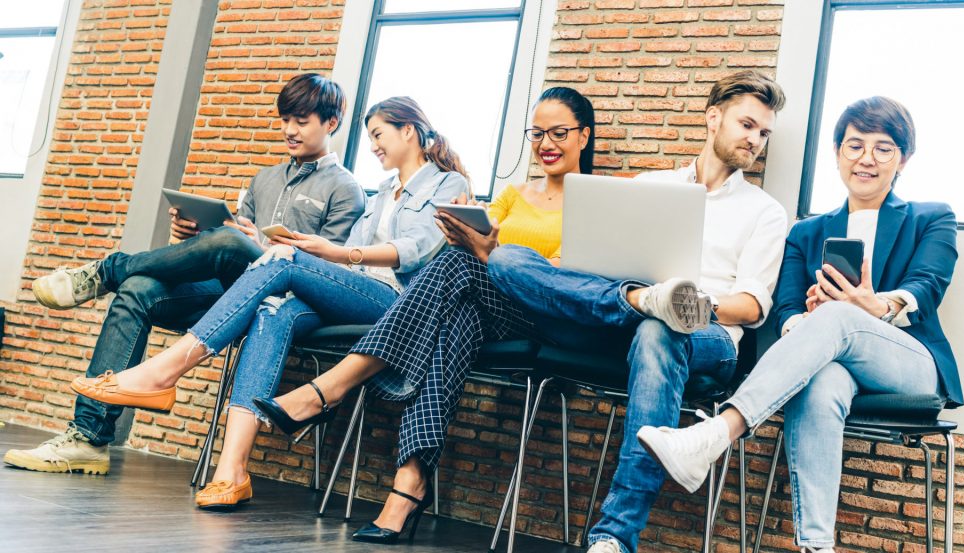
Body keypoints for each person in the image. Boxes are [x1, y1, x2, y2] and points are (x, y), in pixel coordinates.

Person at [68, 96, 469, 509]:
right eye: (370, 138)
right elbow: (348, 255)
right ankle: (232, 472)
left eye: (378, 135)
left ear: (408, 130)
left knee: (285, 259)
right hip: (353, 290)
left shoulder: (447, 184)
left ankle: (164, 371)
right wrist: (311, 252)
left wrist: (326, 254)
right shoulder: (383, 191)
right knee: (271, 310)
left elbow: (417, 249)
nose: (373, 146)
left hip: (401, 304)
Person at [253, 86, 594, 545]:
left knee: (454, 267)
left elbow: (581, 272)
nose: (546, 143)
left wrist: (510, 258)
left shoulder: (594, 197)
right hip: (492, 305)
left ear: (583, 136)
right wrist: (473, 241)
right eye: (537, 133)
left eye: (559, 133)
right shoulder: (515, 194)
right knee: (457, 312)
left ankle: (331, 389)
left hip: (543, 313)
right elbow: (482, 247)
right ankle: (409, 482)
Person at [485, 70, 790, 553]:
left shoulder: (765, 212)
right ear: (714, 118)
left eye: (763, 132)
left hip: (706, 336)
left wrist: (694, 305)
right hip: (615, 316)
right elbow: (593, 265)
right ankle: (643, 299)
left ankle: (614, 537)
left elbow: (751, 308)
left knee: (660, 327)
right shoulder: (651, 185)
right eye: (748, 125)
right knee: (506, 259)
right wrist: (571, 271)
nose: (755, 140)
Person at [639, 97, 961, 553]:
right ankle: (815, 545)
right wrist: (809, 322)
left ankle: (717, 432)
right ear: (837, 153)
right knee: (822, 378)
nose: (866, 158)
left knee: (839, 315)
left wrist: (874, 306)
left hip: (908, 362)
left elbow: (926, 288)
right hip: (832, 360)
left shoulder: (932, 217)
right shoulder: (805, 231)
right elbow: (786, 312)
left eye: (883, 148)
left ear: (903, 159)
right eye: (854, 146)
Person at [4, 73, 365, 476]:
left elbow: (326, 272)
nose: (289, 130)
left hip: (286, 301)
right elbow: (238, 233)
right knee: (139, 289)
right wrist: (192, 235)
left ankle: (107, 269)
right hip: (234, 294)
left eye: (301, 121)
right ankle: (88, 438)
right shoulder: (265, 178)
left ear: (330, 122)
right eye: (284, 120)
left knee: (228, 242)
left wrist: (243, 243)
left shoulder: (345, 189)